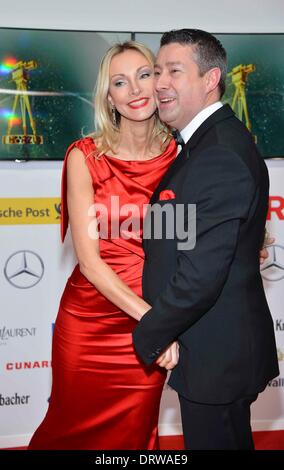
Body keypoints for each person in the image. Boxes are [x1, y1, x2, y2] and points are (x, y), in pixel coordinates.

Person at [28, 41, 179, 451]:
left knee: (134, 433)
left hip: (145, 329)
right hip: (92, 321)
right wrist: (158, 326)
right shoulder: (86, 156)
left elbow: (198, 230)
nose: (135, 89)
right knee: (69, 431)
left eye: (143, 75)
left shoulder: (182, 155)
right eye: (120, 81)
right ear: (108, 97)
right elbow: (91, 264)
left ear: (159, 80)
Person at [133, 29, 279, 450]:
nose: (159, 82)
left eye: (174, 71)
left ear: (211, 78)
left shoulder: (218, 151)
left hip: (215, 350)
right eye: (157, 70)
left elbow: (202, 275)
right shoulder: (205, 143)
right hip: (212, 344)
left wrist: (150, 332)